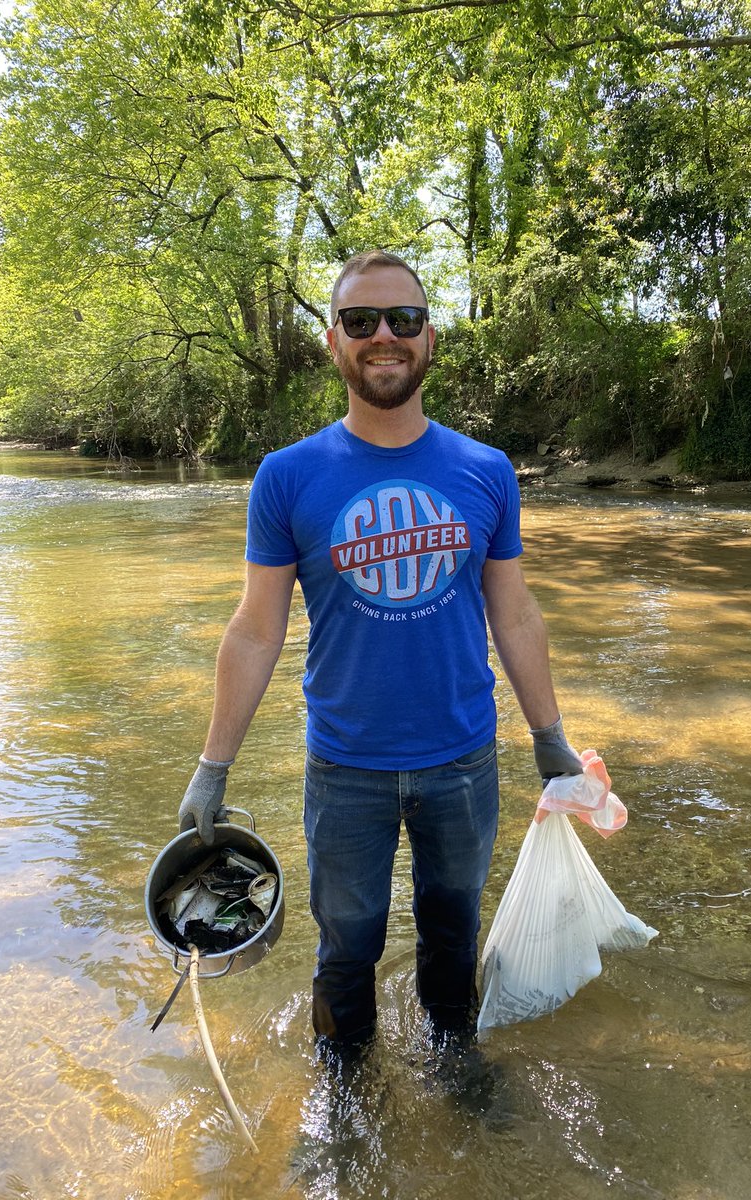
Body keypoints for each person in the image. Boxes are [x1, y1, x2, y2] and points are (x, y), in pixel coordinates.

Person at [178, 249, 584, 1057]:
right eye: (361, 321)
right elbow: (257, 629)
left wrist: (548, 740)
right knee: (346, 947)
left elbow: (515, 614)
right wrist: (213, 767)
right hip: (344, 768)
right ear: (333, 343)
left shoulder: (487, 470)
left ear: (431, 336)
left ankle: (455, 1068)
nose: (384, 335)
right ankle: (345, 1088)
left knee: (452, 935)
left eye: (404, 318)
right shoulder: (286, 477)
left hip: (464, 764)